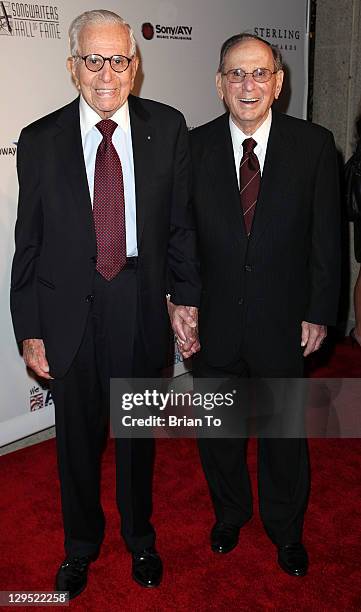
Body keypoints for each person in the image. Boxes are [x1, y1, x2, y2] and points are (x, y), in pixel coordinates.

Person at [10, 9, 200, 599]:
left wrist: (185, 301)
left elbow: (180, 230)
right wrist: (29, 326)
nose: (108, 74)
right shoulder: (40, 141)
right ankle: (80, 547)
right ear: (73, 67)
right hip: (70, 311)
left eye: (119, 59)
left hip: (139, 302)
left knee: (138, 433)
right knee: (76, 443)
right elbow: (29, 241)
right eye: (94, 60)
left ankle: (141, 538)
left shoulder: (168, 128)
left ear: (135, 65)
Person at [188, 33, 340, 577]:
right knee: (220, 430)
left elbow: (327, 240)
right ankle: (230, 513)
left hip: (283, 320)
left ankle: (285, 528)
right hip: (215, 321)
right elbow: (182, 236)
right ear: (219, 84)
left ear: (278, 82)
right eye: (236, 74)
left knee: (283, 432)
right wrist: (181, 303)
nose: (247, 85)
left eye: (259, 74)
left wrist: (320, 309)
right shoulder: (195, 146)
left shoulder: (316, 145)